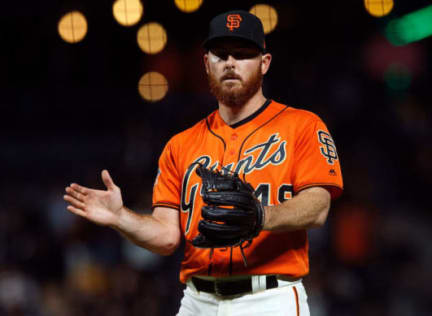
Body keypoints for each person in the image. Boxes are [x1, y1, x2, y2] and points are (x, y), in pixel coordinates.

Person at [64, 9, 343, 315]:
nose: (231, 63)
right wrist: (122, 218)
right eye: (220, 54)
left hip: (268, 298)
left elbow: (318, 206)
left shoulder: (302, 125)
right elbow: (167, 237)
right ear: (206, 63)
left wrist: (262, 216)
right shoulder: (180, 144)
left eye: (243, 53)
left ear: (265, 63)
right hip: (197, 300)